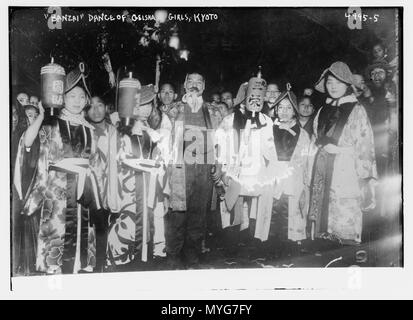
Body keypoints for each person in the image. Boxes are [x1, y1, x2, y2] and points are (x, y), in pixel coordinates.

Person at [14, 63, 101, 274]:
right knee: (57, 242)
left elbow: (96, 163)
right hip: (57, 190)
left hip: (83, 190)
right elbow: (27, 142)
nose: (77, 102)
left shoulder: (91, 130)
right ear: (62, 98)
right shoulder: (51, 125)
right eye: (71, 96)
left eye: (82, 97)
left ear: (87, 101)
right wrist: (42, 116)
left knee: (82, 239)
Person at [308, 61, 377, 245]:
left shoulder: (357, 110)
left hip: (346, 168)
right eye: (330, 82)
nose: (333, 87)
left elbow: (365, 145)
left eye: (338, 82)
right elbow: (315, 137)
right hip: (323, 166)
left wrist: (365, 178)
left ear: (347, 84)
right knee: (323, 222)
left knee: (344, 214)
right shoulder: (323, 110)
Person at [214, 72, 277, 257]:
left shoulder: (266, 121)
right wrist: (221, 167)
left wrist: (271, 170)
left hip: (257, 171)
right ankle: (232, 246)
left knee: (254, 209)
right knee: (234, 207)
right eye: (252, 95)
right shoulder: (230, 119)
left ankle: (251, 245)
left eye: (259, 96)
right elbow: (220, 143)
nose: (255, 99)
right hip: (235, 170)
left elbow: (270, 148)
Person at [106, 85, 169, 269]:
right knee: (127, 223)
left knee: (150, 222)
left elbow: (159, 160)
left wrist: (163, 191)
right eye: (142, 105)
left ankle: (145, 258)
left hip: (150, 183)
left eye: (149, 105)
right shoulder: (120, 128)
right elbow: (117, 158)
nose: (146, 109)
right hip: (128, 184)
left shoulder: (151, 130)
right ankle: (119, 259)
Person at [165, 72, 219, 269]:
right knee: (177, 215)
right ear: (184, 86)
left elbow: (222, 141)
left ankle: (192, 258)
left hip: (204, 170)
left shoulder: (213, 111)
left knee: (198, 216)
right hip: (180, 169)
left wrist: (219, 165)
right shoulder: (174, 109)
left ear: (204, 87)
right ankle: (173, 258)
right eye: (190, 81)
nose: (195, 85)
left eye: (199, 82)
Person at [270, 86, 313, 256]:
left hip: (293, 176)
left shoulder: (302, 134)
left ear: (294, 110)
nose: (285, 112)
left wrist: (305, 182)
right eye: (281, 108)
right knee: (275, 208)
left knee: (291, 209)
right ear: (276, 110)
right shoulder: (270, 131)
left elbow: (307, 159)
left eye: (289, 108)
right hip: (274, 176)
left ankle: (290, 244)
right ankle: (272, 243)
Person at [87, 95, 121, 272]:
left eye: (99, 105)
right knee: (95, 229)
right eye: (91, 106)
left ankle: (107, 261)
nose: (96, 110)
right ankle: (97, 265)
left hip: (113, 188)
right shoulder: (83, 130)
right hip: (90, 192)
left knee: (109, 228)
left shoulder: (115, 130)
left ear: (106, 107)